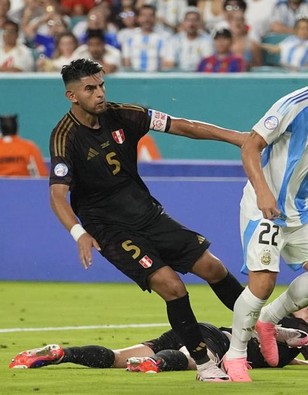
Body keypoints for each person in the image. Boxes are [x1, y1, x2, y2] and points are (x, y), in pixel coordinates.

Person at [48, 58, 247, 382]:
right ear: (72, 95)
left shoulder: (125, 114)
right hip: (109, 230)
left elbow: (182, 125)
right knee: (171, 286)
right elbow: (58, 195)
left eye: (101, 85)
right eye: (90, 88)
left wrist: (236, 137)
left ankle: (264, 326)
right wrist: (79, 233)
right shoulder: (64, 136)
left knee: (213, 267)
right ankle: (204, 364)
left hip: (148, 214)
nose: (99, 93)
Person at [222, 41, 308, 382]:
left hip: (300, 207)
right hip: (263, 205)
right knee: (262, 282)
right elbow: (251, 145)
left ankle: (268, 319)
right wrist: (264, 192)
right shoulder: (294, 105)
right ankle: (235, 356)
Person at [9, 297, 308, 371]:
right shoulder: (299, 330)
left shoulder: (275, 320)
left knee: (118, 358)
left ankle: (62, 354)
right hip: (216, 341)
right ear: (297, 307)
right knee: (187, 360)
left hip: (203, 329)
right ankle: (154, 365)